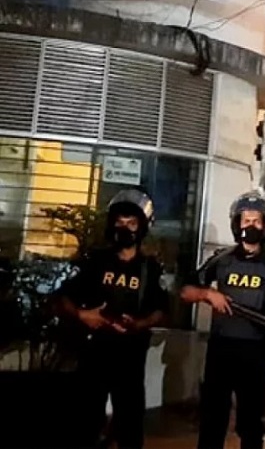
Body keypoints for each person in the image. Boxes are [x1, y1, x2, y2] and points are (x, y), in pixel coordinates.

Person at [55, 189, 168, 449]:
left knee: (130, 425)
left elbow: (161, 310)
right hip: (94, 353)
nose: (124, 228)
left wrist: (138, 324)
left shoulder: (150, 269)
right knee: (85, 423)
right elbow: (62, 298)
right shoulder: (95, 262)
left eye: (131, 223)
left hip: (130, 358)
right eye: (119, 222)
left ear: (142, 227)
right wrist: (82, 315)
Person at [181, 190, 265, 449]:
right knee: (212, 418)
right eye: (246, 220)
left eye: (256, 221)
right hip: (221, 348)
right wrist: (208, 294)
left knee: (251, 422)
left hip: (256, 350)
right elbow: (185, 291)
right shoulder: (221, 259)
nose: (251, 225)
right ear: (237, 223)